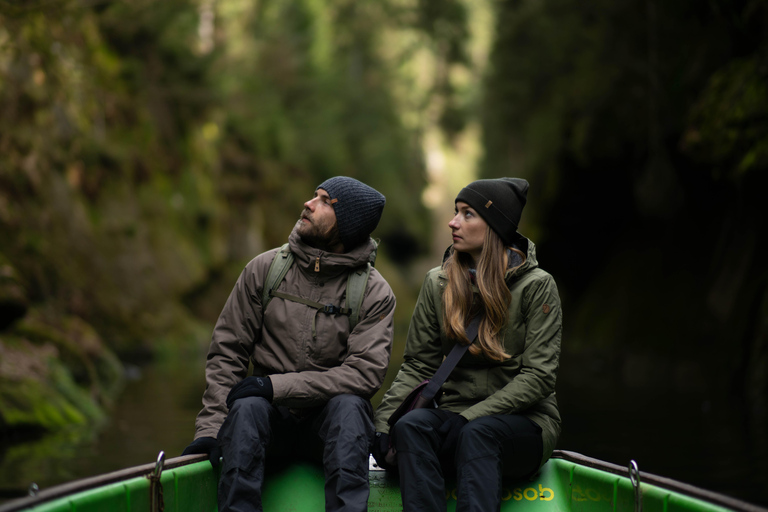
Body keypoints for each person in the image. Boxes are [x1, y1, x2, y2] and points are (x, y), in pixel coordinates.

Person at [183, 176, 396, 512]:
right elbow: (228, 353)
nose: (309, 204)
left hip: (327, 428)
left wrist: (272, 386)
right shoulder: (264, 269)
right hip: (268, 422)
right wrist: (210, 429)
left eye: (326, 201)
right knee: (247, 405)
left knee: (351, 408)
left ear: (349, 225)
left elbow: (363, 375)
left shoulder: (374, 291)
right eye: (315, 196)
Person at [371, 177, 562, 512]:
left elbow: (539, 377)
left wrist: (470, 418)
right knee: (410, 427)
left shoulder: (537, 286)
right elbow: (418, 364)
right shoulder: (437, 282)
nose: (452, 222)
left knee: (479, 433)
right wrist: (384, 425)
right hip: (453, 417)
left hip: (525, 424)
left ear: (494, 226)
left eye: (467, 214)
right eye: (455, 212)